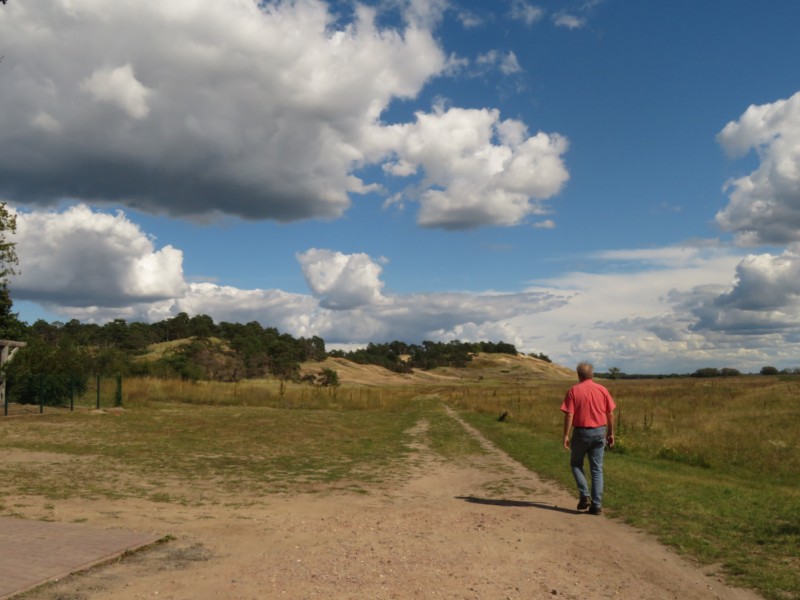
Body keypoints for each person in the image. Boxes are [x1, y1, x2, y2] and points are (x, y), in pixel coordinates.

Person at [560, 361, 616, 515]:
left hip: (581, 433)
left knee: (576, 464)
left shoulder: (573, 391)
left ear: (579, 375)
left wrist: (565, 434)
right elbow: (610, 413)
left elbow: (569, 414)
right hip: (600, 432)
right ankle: (596, 506)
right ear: (592, 374)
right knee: (597, 469)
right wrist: (611, 433)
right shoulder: (602, 389)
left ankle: (585, 495)